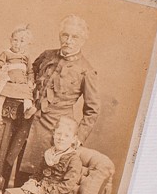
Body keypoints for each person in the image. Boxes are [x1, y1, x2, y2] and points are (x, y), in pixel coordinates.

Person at [9, 14, 100, 184]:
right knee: (10, 166)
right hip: (26, 122)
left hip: (54, 132)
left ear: (83, 40)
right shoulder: (46, 56)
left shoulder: (86, 70)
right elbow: (26, 74)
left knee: (37, 178)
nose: (68, 41)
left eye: (75, 37)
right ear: (60, 35)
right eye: (65, 35)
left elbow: (92, 110)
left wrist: (77, 138)